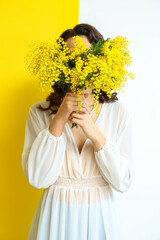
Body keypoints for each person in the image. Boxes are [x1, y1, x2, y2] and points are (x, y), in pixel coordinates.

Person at [21, 23, 134, 240]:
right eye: (72, 60)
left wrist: (95, 133)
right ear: (60, 66)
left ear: (101, 61)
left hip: (101, 218)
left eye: (86, 57)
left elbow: (123, 181)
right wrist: (59, 118)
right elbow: (38, 178)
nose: (79, 67)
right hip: (54, 218)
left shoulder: (118, 113)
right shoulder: (39, 113)